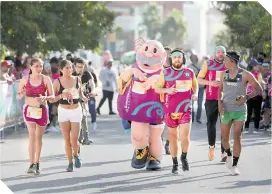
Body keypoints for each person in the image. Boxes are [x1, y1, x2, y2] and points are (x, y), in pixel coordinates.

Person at [118, 39, 166, 170]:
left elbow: (170, 84)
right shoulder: (133, 69)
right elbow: (121, 82)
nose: (150, 54)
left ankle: (155, 157)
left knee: (155, 135)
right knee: (138, 134)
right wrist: (132, 72)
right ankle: (141, 150)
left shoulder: (164, 73)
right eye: (146, 49)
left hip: (157, 108)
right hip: (137, 109)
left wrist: (157, 79)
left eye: (154, 51)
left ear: (163, 56)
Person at [219, 51, 262, 175]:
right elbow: (220, 90)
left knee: (237, 136)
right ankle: (229, 155)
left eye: (226, 60)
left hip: (240, 110)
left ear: (232, 61)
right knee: (224, 139)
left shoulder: (245, 74)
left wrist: (246, 97)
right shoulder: (223, 74)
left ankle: (235, 165)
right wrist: (220, 103)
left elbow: (259, 88)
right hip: (226, 110)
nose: (224, 62)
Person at [155, 48, 198, 174]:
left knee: (185, 137)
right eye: (174, 57)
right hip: (170, 110)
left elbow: (195, 87)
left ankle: (183, 157)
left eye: (179, 57)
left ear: (183, 59)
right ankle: (175, 163)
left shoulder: (189, 72)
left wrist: (195, 94)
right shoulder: (166, 72)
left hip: (185, 109)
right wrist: (167, 91)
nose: (177, 59)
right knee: (173, 138)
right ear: (171, 59)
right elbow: (157, 89)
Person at [17, 57, 54, 175]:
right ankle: (31, 163)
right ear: (30, 67)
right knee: (32, 135)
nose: (39, 68)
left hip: (41, 110)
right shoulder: (24, 80)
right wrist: (21, 93)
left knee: (38, 137)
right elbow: (18, 95)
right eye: (36, 66)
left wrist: (45, 97)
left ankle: (37, 163)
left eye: (41, 66)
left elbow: (52, 97)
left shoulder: (46, 79)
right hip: (29, 110)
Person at [50, 59, 88, 172]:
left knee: (74, 139)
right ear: (61, 70)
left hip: (76, 110)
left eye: (70, 67)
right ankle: (70, 162)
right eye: (66, 68)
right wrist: (62, 95)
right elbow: (52, 99)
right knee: (67, 139)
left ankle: (76, 155)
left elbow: (80, 93)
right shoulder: (57, 82)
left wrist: (84, 98)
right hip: (63, 111)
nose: (69, 70)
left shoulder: (77, 79)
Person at [197, 46, 227, 162]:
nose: (220, 54)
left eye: (222, 52)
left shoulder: (228, 64)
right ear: (214, 54)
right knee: (211, 124)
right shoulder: (208, 64)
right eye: (218, 52)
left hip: (225, 100)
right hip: (211, 99)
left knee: (225, 125)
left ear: (225, 54)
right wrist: (210, 83)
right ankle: (211, 148)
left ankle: (224, 152)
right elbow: (198, 79)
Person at [73, 57, 96, 144]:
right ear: (74, 66)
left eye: (82, 67)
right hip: (74, 100)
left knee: (83, 116)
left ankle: (84, 138)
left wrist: (93, 91)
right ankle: (80, 137)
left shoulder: (87, 74)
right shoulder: (73, 75)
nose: (80, 69)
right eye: (78, 67)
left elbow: (92, 84)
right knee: (79, 118)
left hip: (84, 99)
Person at [245, 59, 264, 132]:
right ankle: (255, 128)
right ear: (253, 66)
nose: (258, 67)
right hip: (257, 95)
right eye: (257, 65)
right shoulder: (258, 74)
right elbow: (260, 83)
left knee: (249, 112)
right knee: (257, 112)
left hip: (249, 95)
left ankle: (246, 127)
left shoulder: (247, 73)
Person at [188, 52, 205, 123]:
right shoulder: (189, 67)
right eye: (193, 57)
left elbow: (204, 74)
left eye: (195, 57)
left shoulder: (201, 65)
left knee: (200, 103)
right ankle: (192, 118)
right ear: (191, 58)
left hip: (200, 87)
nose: (194, 58)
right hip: (191, 87)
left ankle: (198, 118)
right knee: (191, 103)